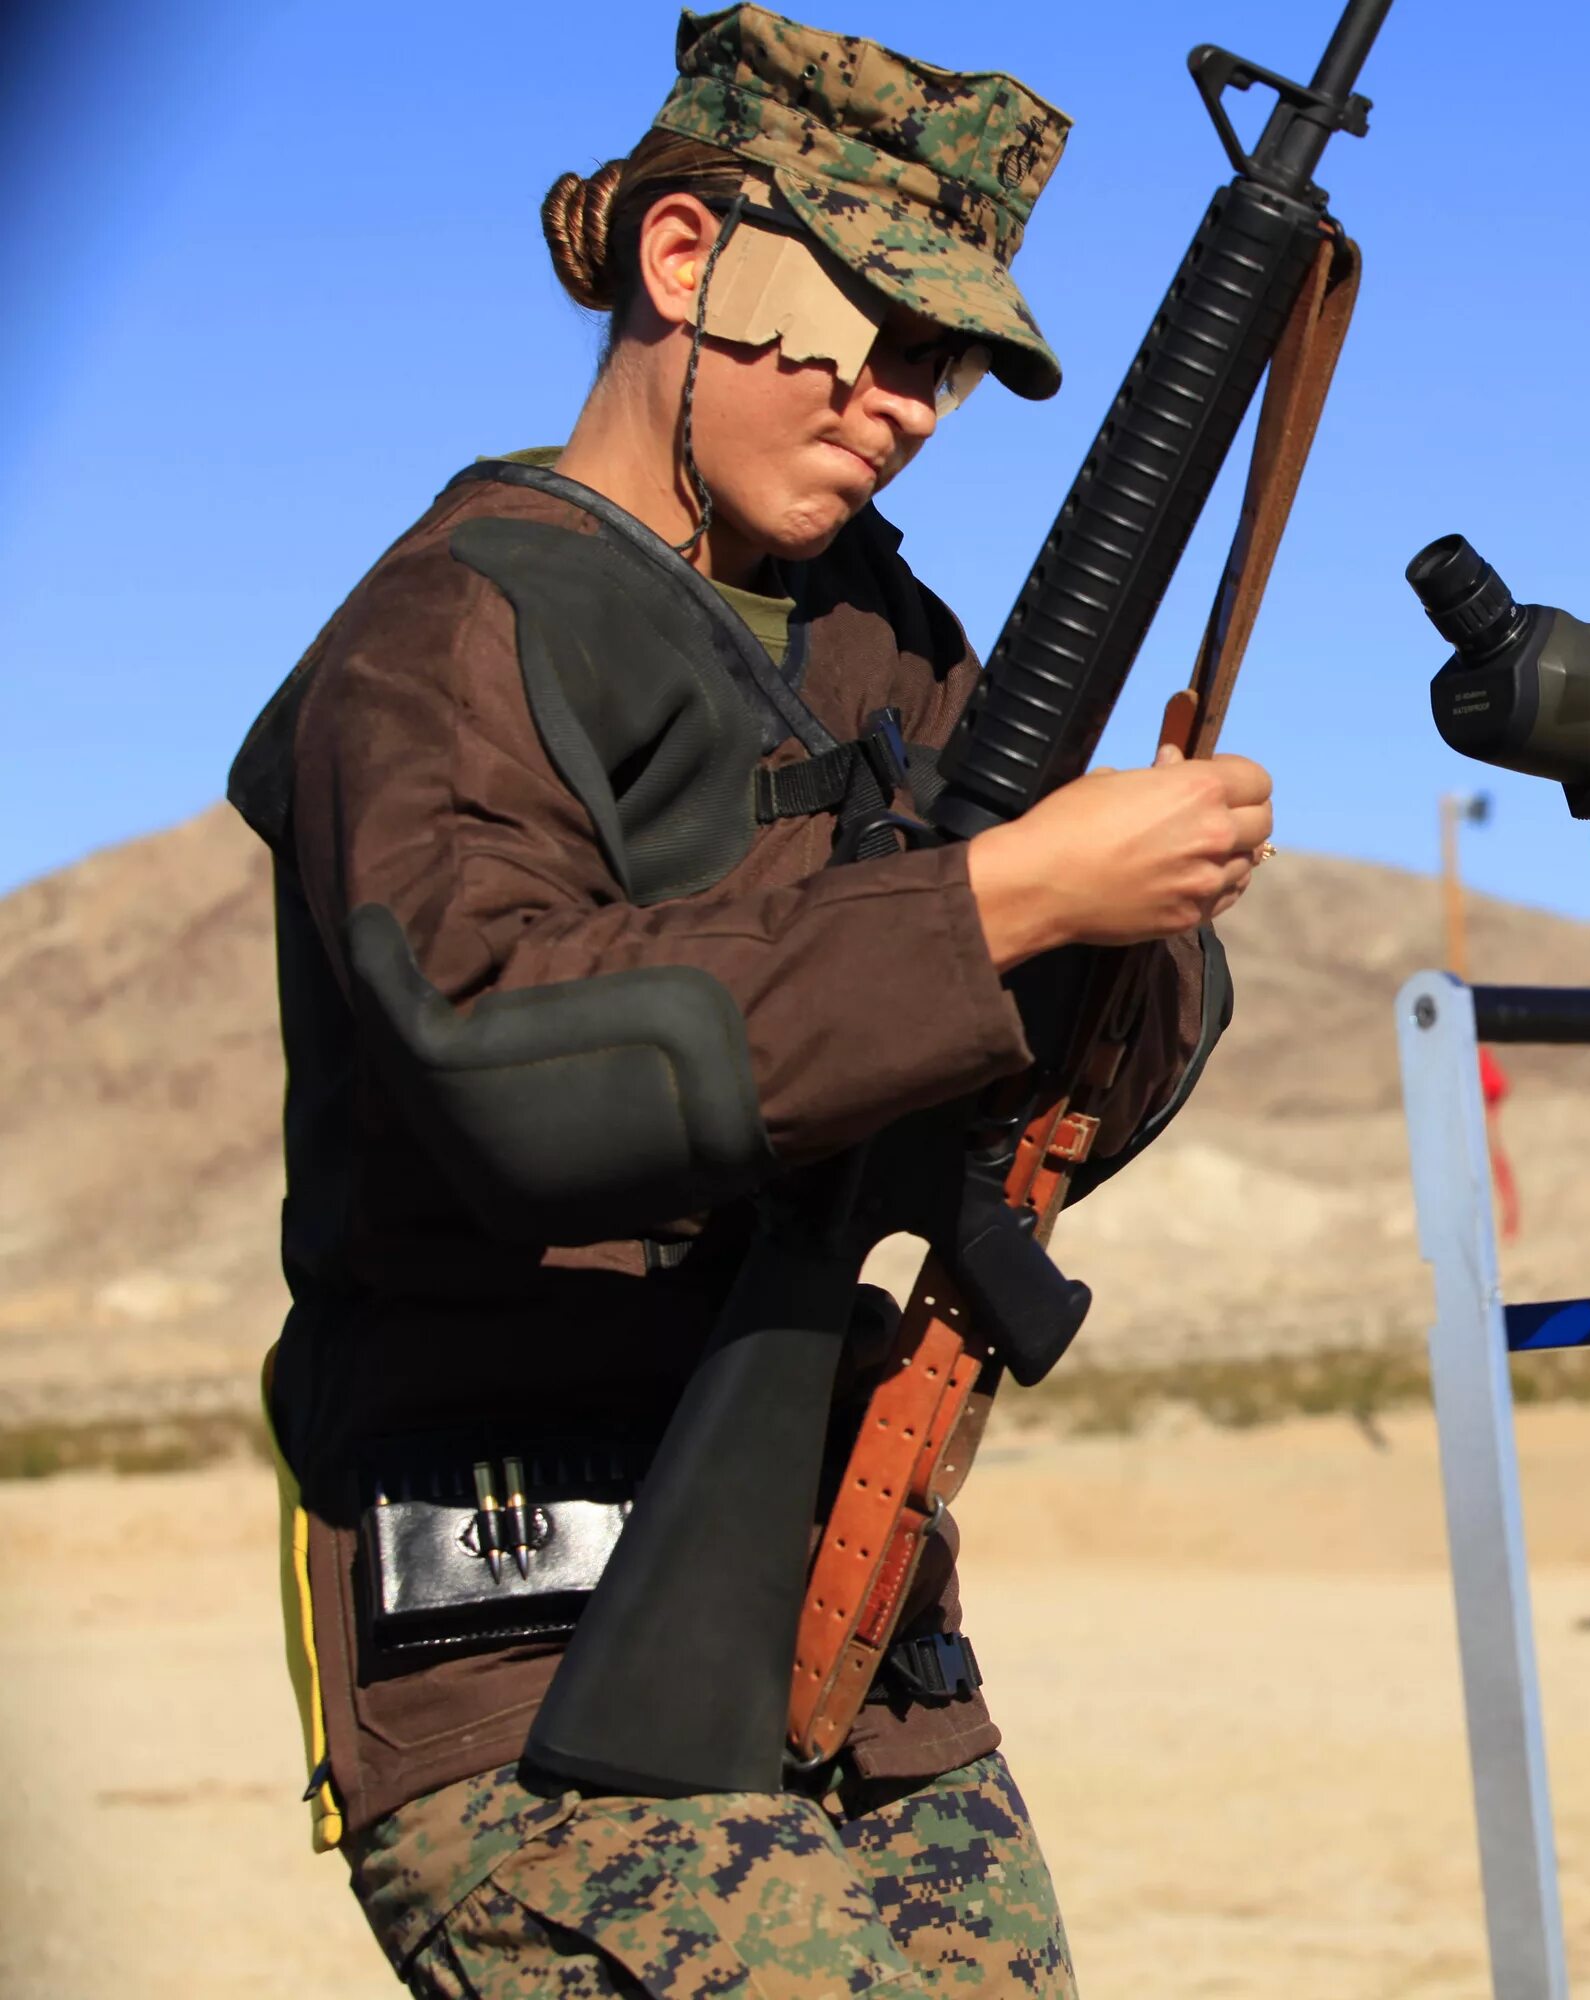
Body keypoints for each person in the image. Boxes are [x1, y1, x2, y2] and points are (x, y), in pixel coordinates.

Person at [226, 8, 1269, 1993]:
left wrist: (1128, 940)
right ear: (684, 261)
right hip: (530, 1656)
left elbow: (1066, 1089)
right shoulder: (451, 629)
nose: (906, 406)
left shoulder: (890, 638)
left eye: (947, 368)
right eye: (872, 336)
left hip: (852, 1619)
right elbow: (509, 1055)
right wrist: (1010, 892)